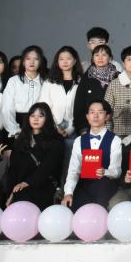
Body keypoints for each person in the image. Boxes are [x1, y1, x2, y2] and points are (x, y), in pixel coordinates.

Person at [63, 99, 121, 210]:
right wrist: (68, 193)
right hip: (84, 184)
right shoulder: (79, 141)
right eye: (92, 112)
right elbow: (73, 170)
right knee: (74, 205)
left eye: (100, 112)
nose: (95, 116)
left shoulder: (115, 140)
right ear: (87, 116)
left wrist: (105, 172)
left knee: (99, 199)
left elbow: (117, 171)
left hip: (105, 184)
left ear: (107, 116)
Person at [7, 102, 64, 209]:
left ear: (47, 118)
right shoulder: (20, 140)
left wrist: (27, 182)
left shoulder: (56, 140)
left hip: (44, 185)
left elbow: (48, 167)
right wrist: (11, 191)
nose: (36, 119)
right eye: (32, 115)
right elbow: (13, 169)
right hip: (20, 187)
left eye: (40, 116)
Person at [39, 46, 81, 178]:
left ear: (74, 61)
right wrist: (55, 126)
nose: (65, 62)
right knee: (51, 162)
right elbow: (44, 106)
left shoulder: (81, 81)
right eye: (61, 59)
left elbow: (82, 107)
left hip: (74, 130)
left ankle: (65, 188)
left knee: (71, 164)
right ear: (57, 62)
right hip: (52, 129)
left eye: (68, 58)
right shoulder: (49, 82)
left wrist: (70, 128)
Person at [1, 45, 47, 137]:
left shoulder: (46, 82)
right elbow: (7, 108)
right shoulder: (14, 81)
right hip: (18, 121)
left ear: (40, 62)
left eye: (36, 59)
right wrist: (15, 130)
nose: (32, 62)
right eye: (28, 58)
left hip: (40, 123)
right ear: (23, 62)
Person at [74, 44, 119, 133]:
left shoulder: (118, 76)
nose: (100, 58)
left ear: (110, 58)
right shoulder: (86, 78)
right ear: (93, 58)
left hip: (114, 126)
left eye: (104, 55)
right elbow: (79, 104)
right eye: (97, 55)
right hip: (89, 127)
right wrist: (82, 128)